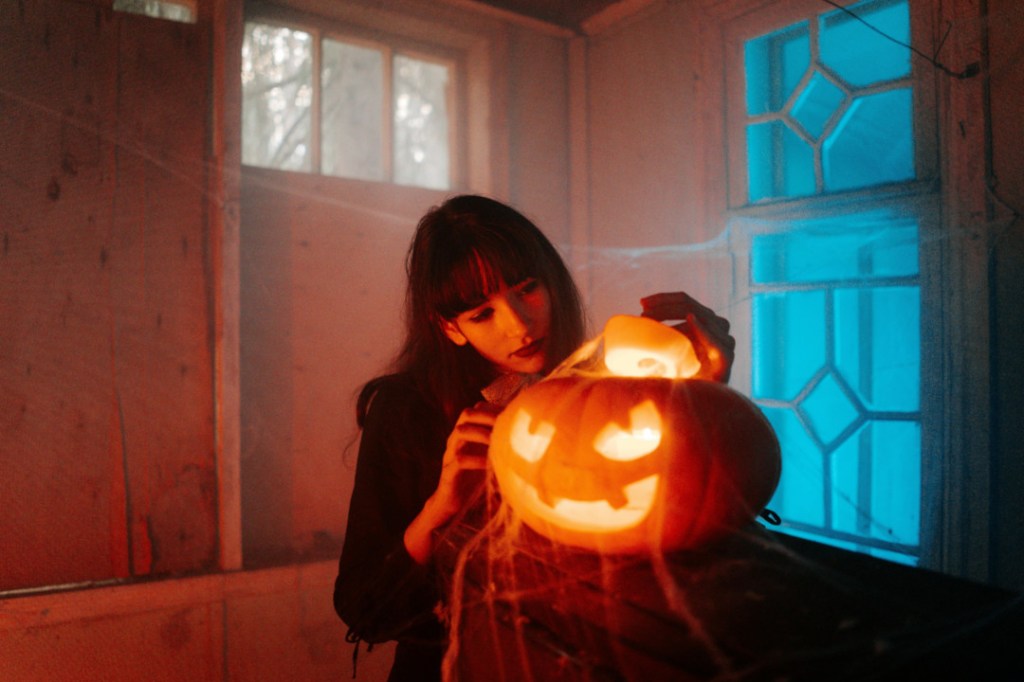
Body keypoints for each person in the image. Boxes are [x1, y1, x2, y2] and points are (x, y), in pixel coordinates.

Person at [333, 194, 735, 682]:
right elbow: (366, 610)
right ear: (451, 328)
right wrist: (441, 506)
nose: (519, 325)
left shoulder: (604, 386)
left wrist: (704, 400)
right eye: (482, 314)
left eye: (528, 289)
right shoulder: (407, 411)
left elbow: (668, 520)